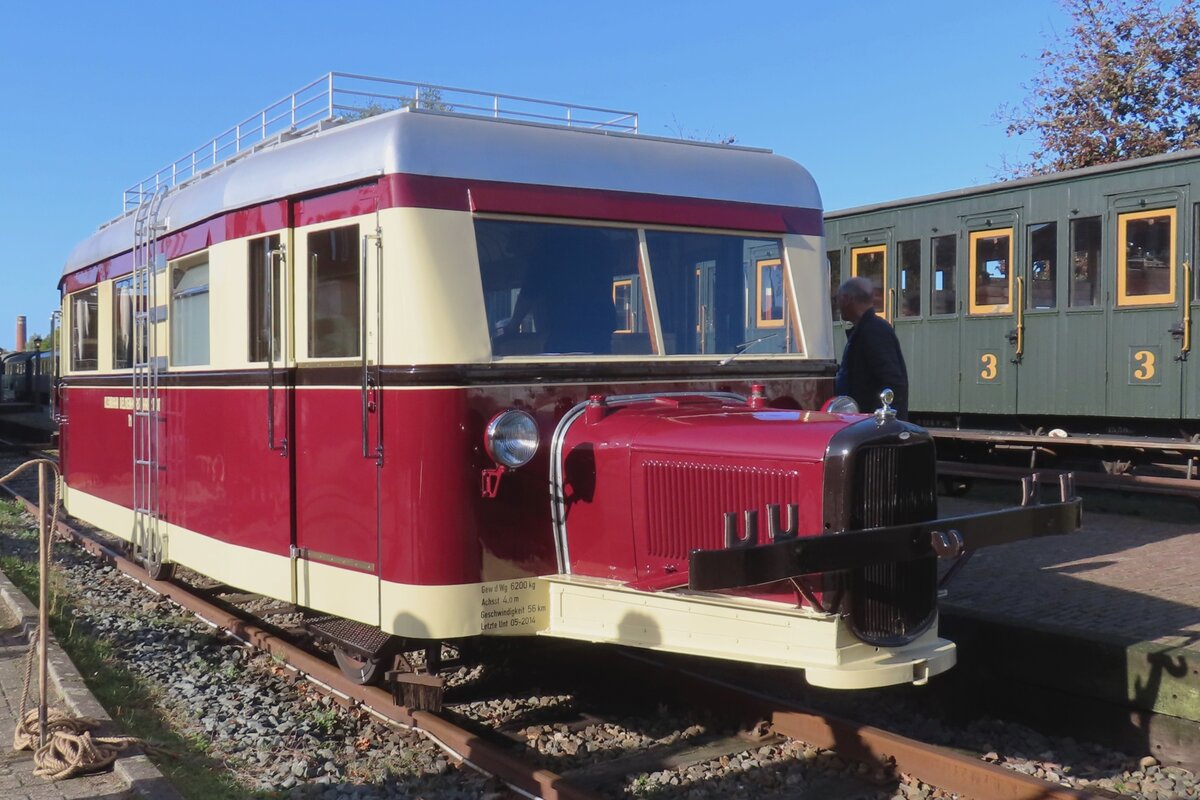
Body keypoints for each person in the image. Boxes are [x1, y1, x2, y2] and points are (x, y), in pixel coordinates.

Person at [835, 277, 909, 419]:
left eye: (838, 299)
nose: (838, 305)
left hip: (871, 423)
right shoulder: (868, 329)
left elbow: (893, 381)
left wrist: (880, 419)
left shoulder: (873, 331)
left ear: (847, 298)